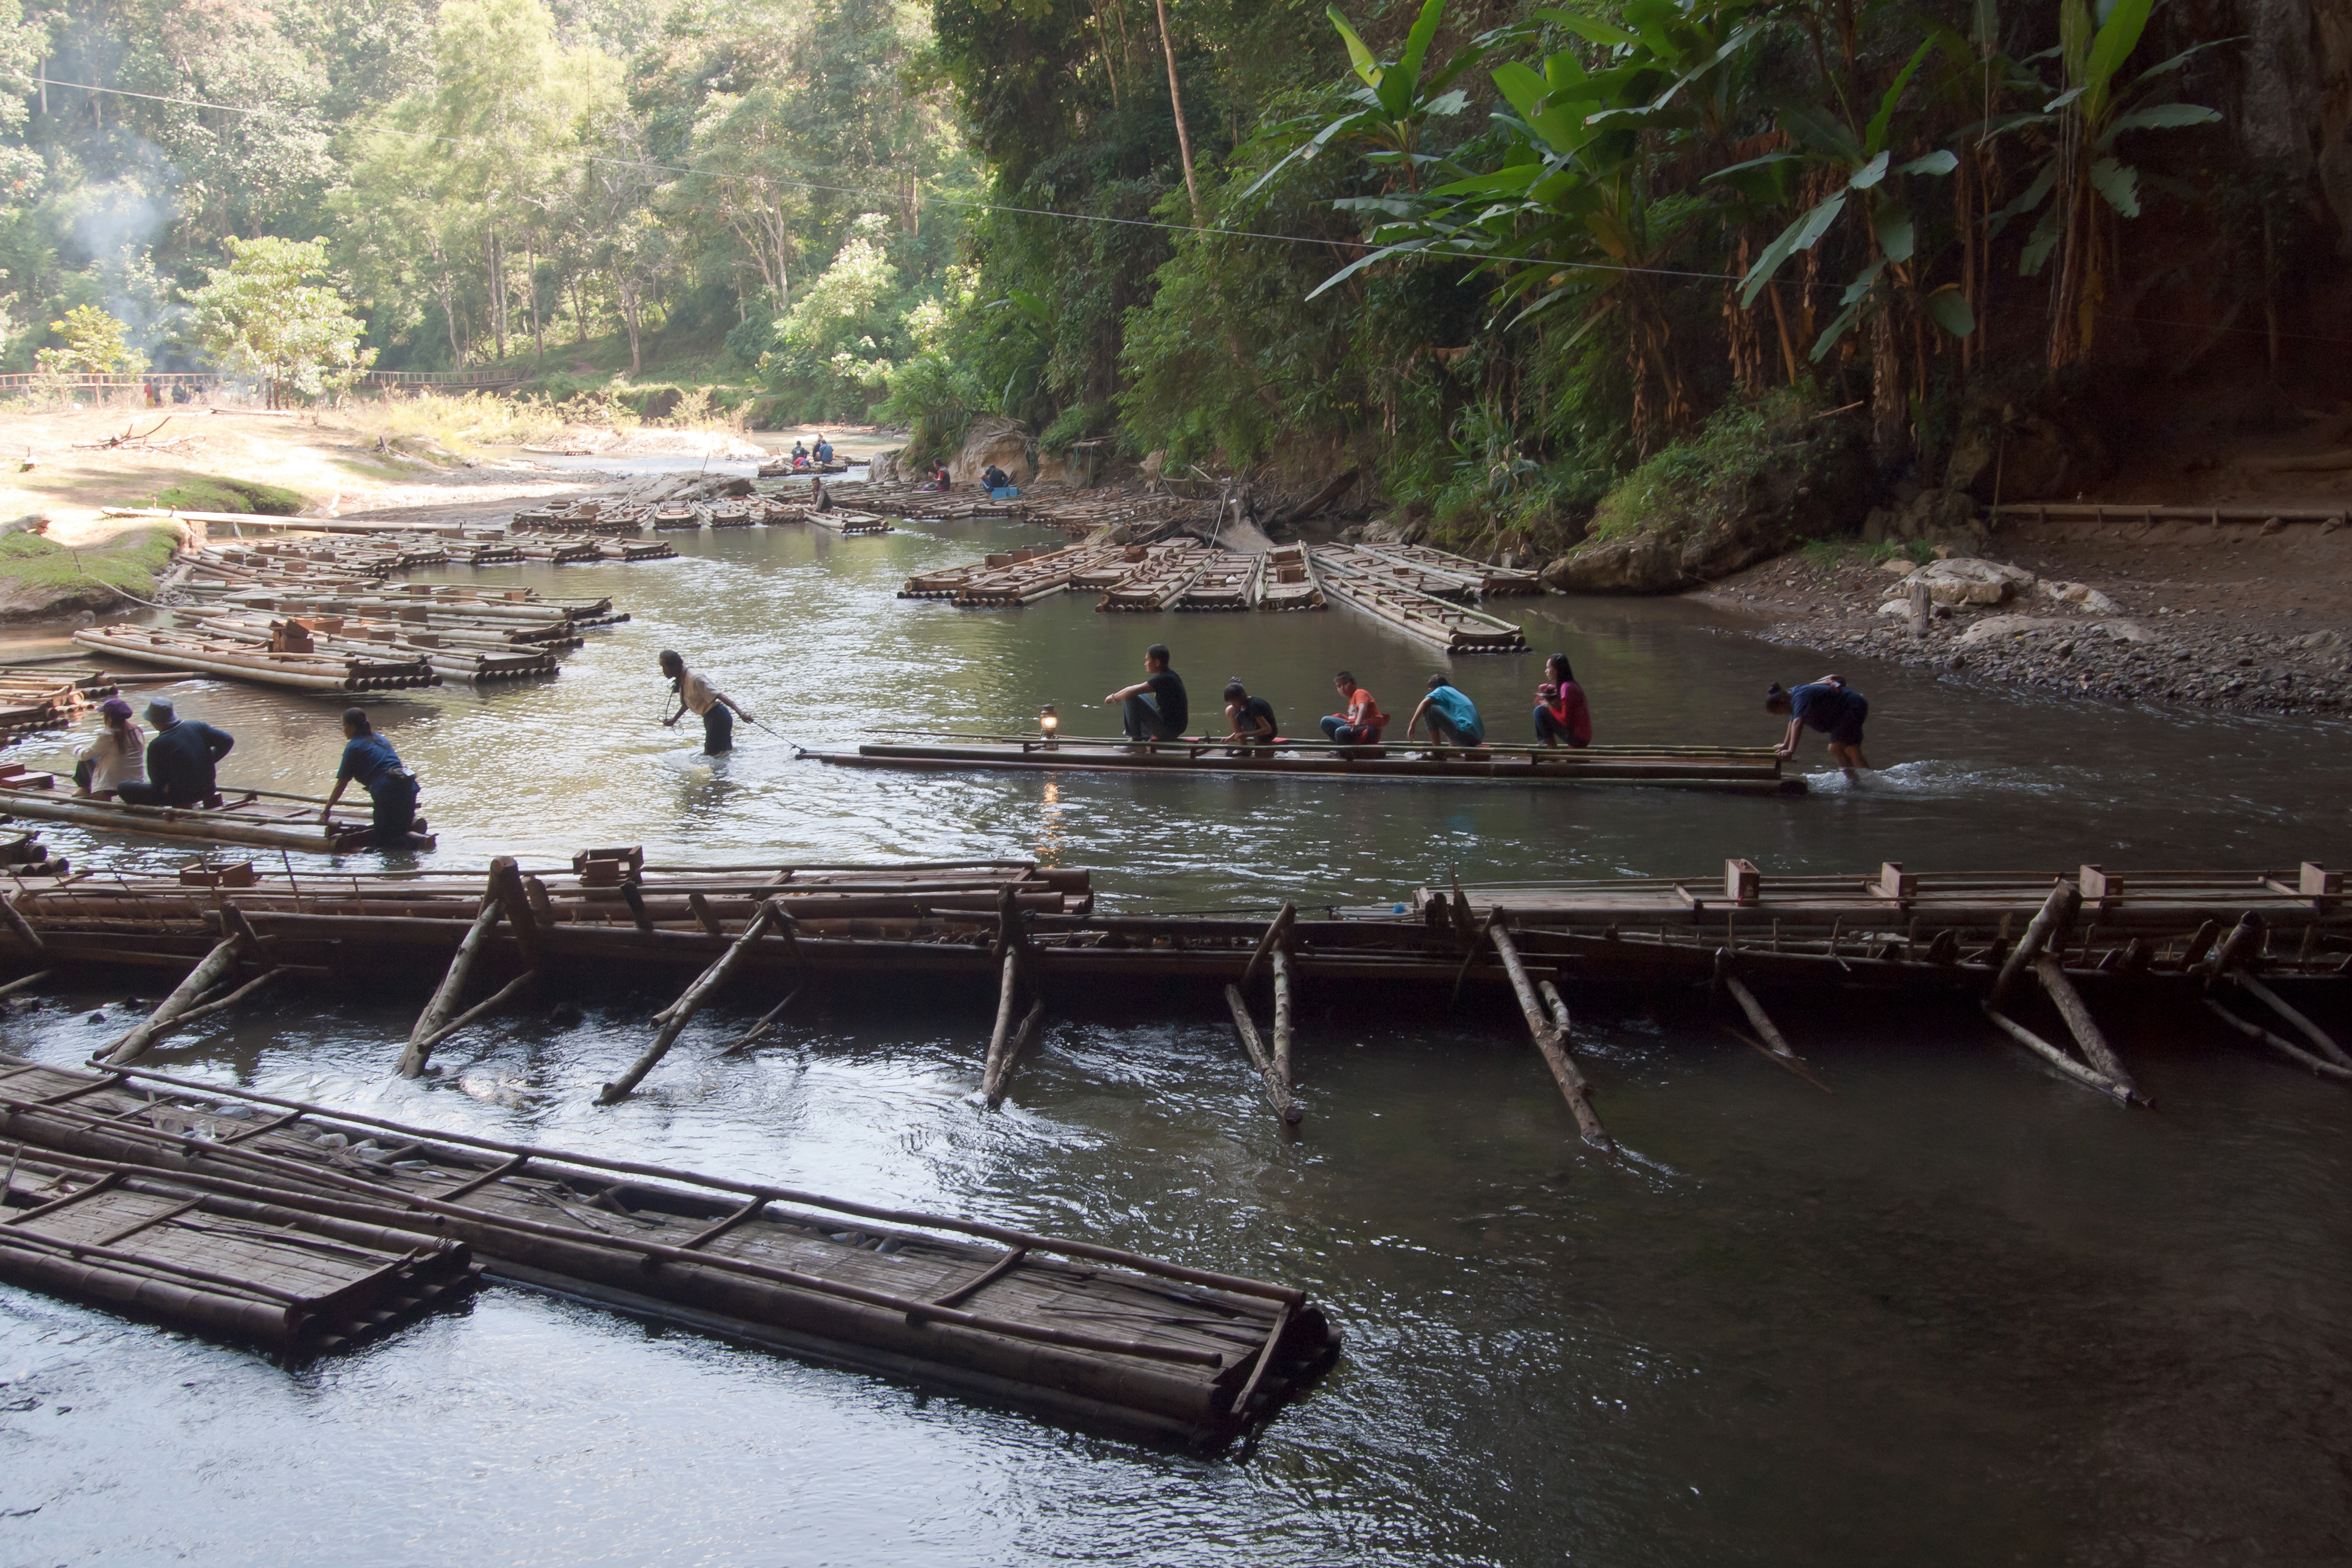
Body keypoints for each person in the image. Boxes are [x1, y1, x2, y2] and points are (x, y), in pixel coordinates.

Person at [317, 707, 426, 847]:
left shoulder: (353, 748)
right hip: (408, 786)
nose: (343, 730)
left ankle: (420, 844)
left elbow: (342, 783)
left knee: (384, 838)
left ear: (352, 728)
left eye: (344, 727)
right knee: (401, 831)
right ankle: (421, 844)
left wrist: (327, 809)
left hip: (388, 792)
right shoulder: (380, 739)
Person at [115, 698, 232, 807]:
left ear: (155, 723)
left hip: (180, 797)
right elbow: (227, 740)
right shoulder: (198, 726)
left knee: (123, 787)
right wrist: (208, 760)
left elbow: (157, 785)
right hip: (208, 789)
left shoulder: (158, 744)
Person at [660, 650, 757, 754]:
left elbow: (719, 695)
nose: (663, 671)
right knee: (723, 754)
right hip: (711, 718)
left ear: (673, 666)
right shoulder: (682, 678)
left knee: (711, 755)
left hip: (718, 717)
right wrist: (674, 719)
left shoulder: (695, 678)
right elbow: (686, 704)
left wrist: (741, 713)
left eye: (664, 667)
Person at [1768, 676, 1870, 771]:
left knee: (1837, 748)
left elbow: (1797, 722)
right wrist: (1785, 744)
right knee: (1849, 749)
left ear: (1783, 701)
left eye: (1781, 712)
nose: (1784, 714)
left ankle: (1861, 783)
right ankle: (1856, 783)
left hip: (1852, 707)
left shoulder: (1800, 696)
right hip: (1844, 713)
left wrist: (1791, 750)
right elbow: (1792, 721)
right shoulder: (1792, 697)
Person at [1104, 643, 1188, 742]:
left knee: (1131, 696)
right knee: (1136, 694)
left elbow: (1132, 691)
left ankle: (1137, 741)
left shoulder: (1165, 679)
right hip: (1171, 727)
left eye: (1148, 660)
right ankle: (1143, 736)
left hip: (1169, 731)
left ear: (1157, 663)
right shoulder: (1170, 675)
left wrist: (1114, 697)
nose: (1145, 663)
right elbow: (1136, 689)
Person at [72, 698, 145, 799]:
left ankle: (85, 789)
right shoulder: (136, 731)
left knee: (85, 759)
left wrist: (77, 749)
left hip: (113, 785)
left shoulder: (108, 735)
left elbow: (86, 754)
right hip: (136, 781)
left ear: (109, 718)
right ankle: (84, 789)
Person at [1406, 674, 1485, 750]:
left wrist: (1412, 725)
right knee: (1446, 715)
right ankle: (1453, 747)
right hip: (1477, 739)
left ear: (1432, 688)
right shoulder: (1453, 691)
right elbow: (1450, 721)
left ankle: (1437, 751)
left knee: (1429, 708)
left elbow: (1424, 703)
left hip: (1466, 736)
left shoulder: (1440, 690)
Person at [1534, 653, 1593, 748]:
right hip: (1584, 737)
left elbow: (1565, 721)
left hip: (1578, 739)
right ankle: (1548, 747)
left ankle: (1549, 749)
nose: (1546, 671)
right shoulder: (1571, 684)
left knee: (1539, 711)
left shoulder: (1566, 688)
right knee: (1541, 710)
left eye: (1548, 668)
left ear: (1556, 670)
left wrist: (1549, 706)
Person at [1318, 671, 1387, 746]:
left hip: (1369, 729)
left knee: (1341, 731)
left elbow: (1363, 708)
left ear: (1354, 683)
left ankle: (1342, 751)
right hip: (1357, 727)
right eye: (1339, 686)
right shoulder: (1352, 700)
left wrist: (1358, 723)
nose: (1342, 688)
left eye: (1345, 684)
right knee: (1325, 721)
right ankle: (1344, 748)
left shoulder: (1360, 692)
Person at [1220, 680, 1279, 746]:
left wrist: (1247, 735)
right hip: (1258, 730)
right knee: (1230, 710)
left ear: (1241, 698)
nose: (1233, 705)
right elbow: (1246, 727)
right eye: (1231, 702)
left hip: (1267, 735)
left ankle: (1244, 749)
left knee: (1231, 710)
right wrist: (1231, 737)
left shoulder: (1254, 706)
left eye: (1234, 702)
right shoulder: (1244, 705)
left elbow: (1268, 729)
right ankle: (1243, 746)